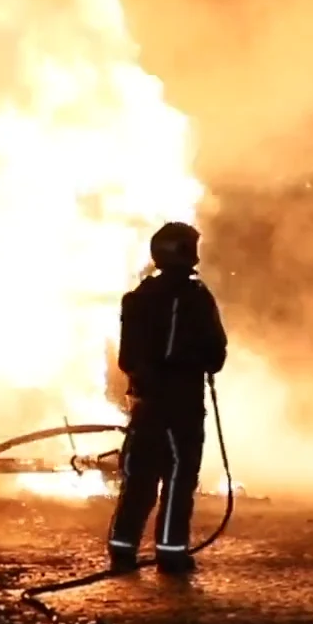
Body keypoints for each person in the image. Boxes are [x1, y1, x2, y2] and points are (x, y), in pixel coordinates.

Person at [107, 221, 228, 575]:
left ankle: (122, 551)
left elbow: (126, 359)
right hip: (182, 406)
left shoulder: (136, 298)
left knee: (139, 478)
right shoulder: (195, 297)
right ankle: (171, 554)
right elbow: (215, 354)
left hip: (145, 405)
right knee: (178, 478)